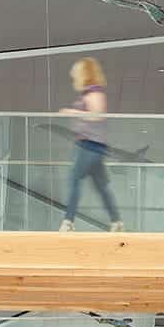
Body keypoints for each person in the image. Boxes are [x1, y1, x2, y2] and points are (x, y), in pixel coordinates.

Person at [58, 57, 123, 232]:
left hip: (89, 146)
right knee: (101, 186)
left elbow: (97, 115)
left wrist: (73, 112)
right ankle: (116, 221)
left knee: (74, 178)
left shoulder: (94, 93)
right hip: (92, 146)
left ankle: (68, 221)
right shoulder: (90, 93)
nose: (74, 77)